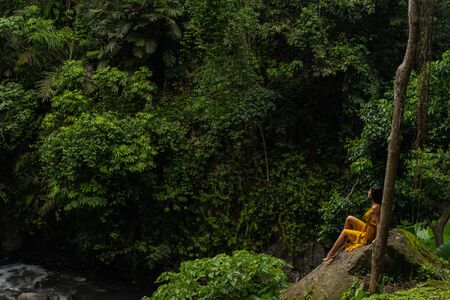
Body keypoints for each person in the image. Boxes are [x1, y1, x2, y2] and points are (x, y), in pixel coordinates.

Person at [323, 186, 383, 262]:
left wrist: (378, 239)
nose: (368, 192)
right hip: (367, 228)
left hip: (369, 235)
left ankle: (330, 254)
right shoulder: (374, 204)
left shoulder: (375, 207)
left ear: (374, 194)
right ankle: (346, 241)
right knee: (349, 218)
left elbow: (378, 223)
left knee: (345, 232)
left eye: (370, 191)